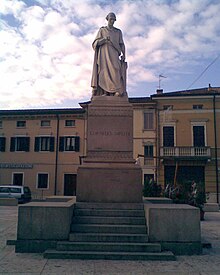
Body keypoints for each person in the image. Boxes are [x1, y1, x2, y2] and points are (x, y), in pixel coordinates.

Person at [91, 12, 127, 97]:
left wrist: (124, 54)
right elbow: (95, 43)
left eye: (114, 20)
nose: (112, 21)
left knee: (116, 70)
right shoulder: (102, 30)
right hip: (103, 55)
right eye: (111, 19)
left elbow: (122, 44)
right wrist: (103, 40)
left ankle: (116, 90)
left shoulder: (118, 32)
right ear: (107, 19)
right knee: (104, 72)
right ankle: (105, 92)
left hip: (114, 53)